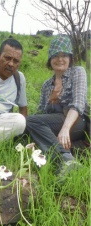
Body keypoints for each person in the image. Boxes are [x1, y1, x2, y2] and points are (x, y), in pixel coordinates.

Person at [25, 36, 88, 171]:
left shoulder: (77, 72)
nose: (60, 59)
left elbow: (78, 103)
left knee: (31, 122)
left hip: (76, 122)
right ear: (50, 59)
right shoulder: (47, 85)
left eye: (64, 55)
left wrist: (65, 128)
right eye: (55, 55)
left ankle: (66, 159)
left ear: (70, 58)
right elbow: (41, 112)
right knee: (26, 125)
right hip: (55, 124)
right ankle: (59, 161)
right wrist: (49, 103)